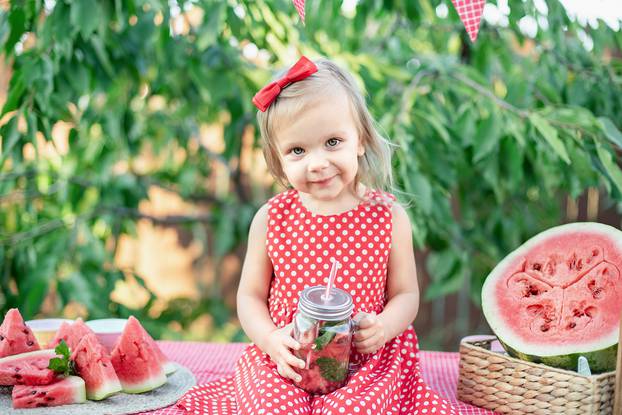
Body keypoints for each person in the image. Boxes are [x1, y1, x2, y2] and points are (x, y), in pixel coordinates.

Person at [178, 56, 457, 414]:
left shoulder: (388, 217)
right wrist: (269, 339)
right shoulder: (271, 219)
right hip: (287, 361)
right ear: (279, 161)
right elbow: (249, 297)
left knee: (352, 410)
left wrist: (384, 327)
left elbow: (406, 294)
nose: (317, 163)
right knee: (270, 407)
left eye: (332, 142)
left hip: (364, 365)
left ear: (360, 140)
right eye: (298, 150)